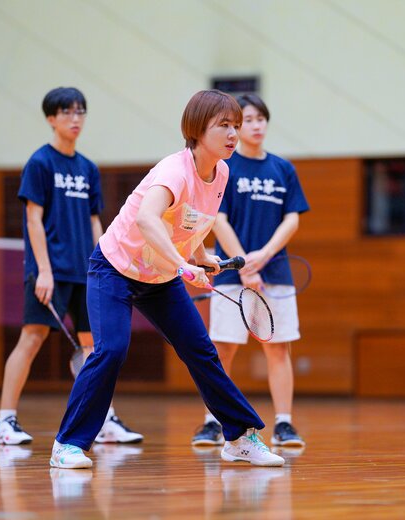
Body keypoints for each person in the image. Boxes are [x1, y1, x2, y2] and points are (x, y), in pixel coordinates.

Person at [49, 89, 285, 469]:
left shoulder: (222, 172)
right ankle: (67, 444)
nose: (233, 134)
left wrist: (201, 257)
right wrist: (181, 264)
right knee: (111, 350)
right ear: (197, 129)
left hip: (160, 276)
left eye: (236, 126)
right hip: (115, 268)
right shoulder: (174, 170)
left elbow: (191, 219)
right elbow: (147, 218)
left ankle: (239, 438)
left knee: (200, 350)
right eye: (224, 125)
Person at [0, 87, 142, 446]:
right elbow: (33, 220)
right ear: (51, 118)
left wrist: (107, 263)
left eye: (80, 112)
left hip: (87, 272)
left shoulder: (88, 168)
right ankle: (5, 422)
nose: (76, 119)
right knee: (32, 338)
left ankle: (104, 420)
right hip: (51, 271)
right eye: (67, 112)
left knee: (95, 347)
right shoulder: (40, 163)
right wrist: (43, 270)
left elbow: (94, 221)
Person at [190, 94, 310, 448]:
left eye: (260, 119)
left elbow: (292, 218)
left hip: (276, 273)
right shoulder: (224, 168)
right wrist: (243, 263)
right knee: (222, 349)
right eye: (248, 121)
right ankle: (212, 422)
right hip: (231, 273)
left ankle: (284, 424)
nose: (255, 126)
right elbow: (217, 219)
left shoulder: (283, 169)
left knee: (278, 349)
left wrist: (264, 255)